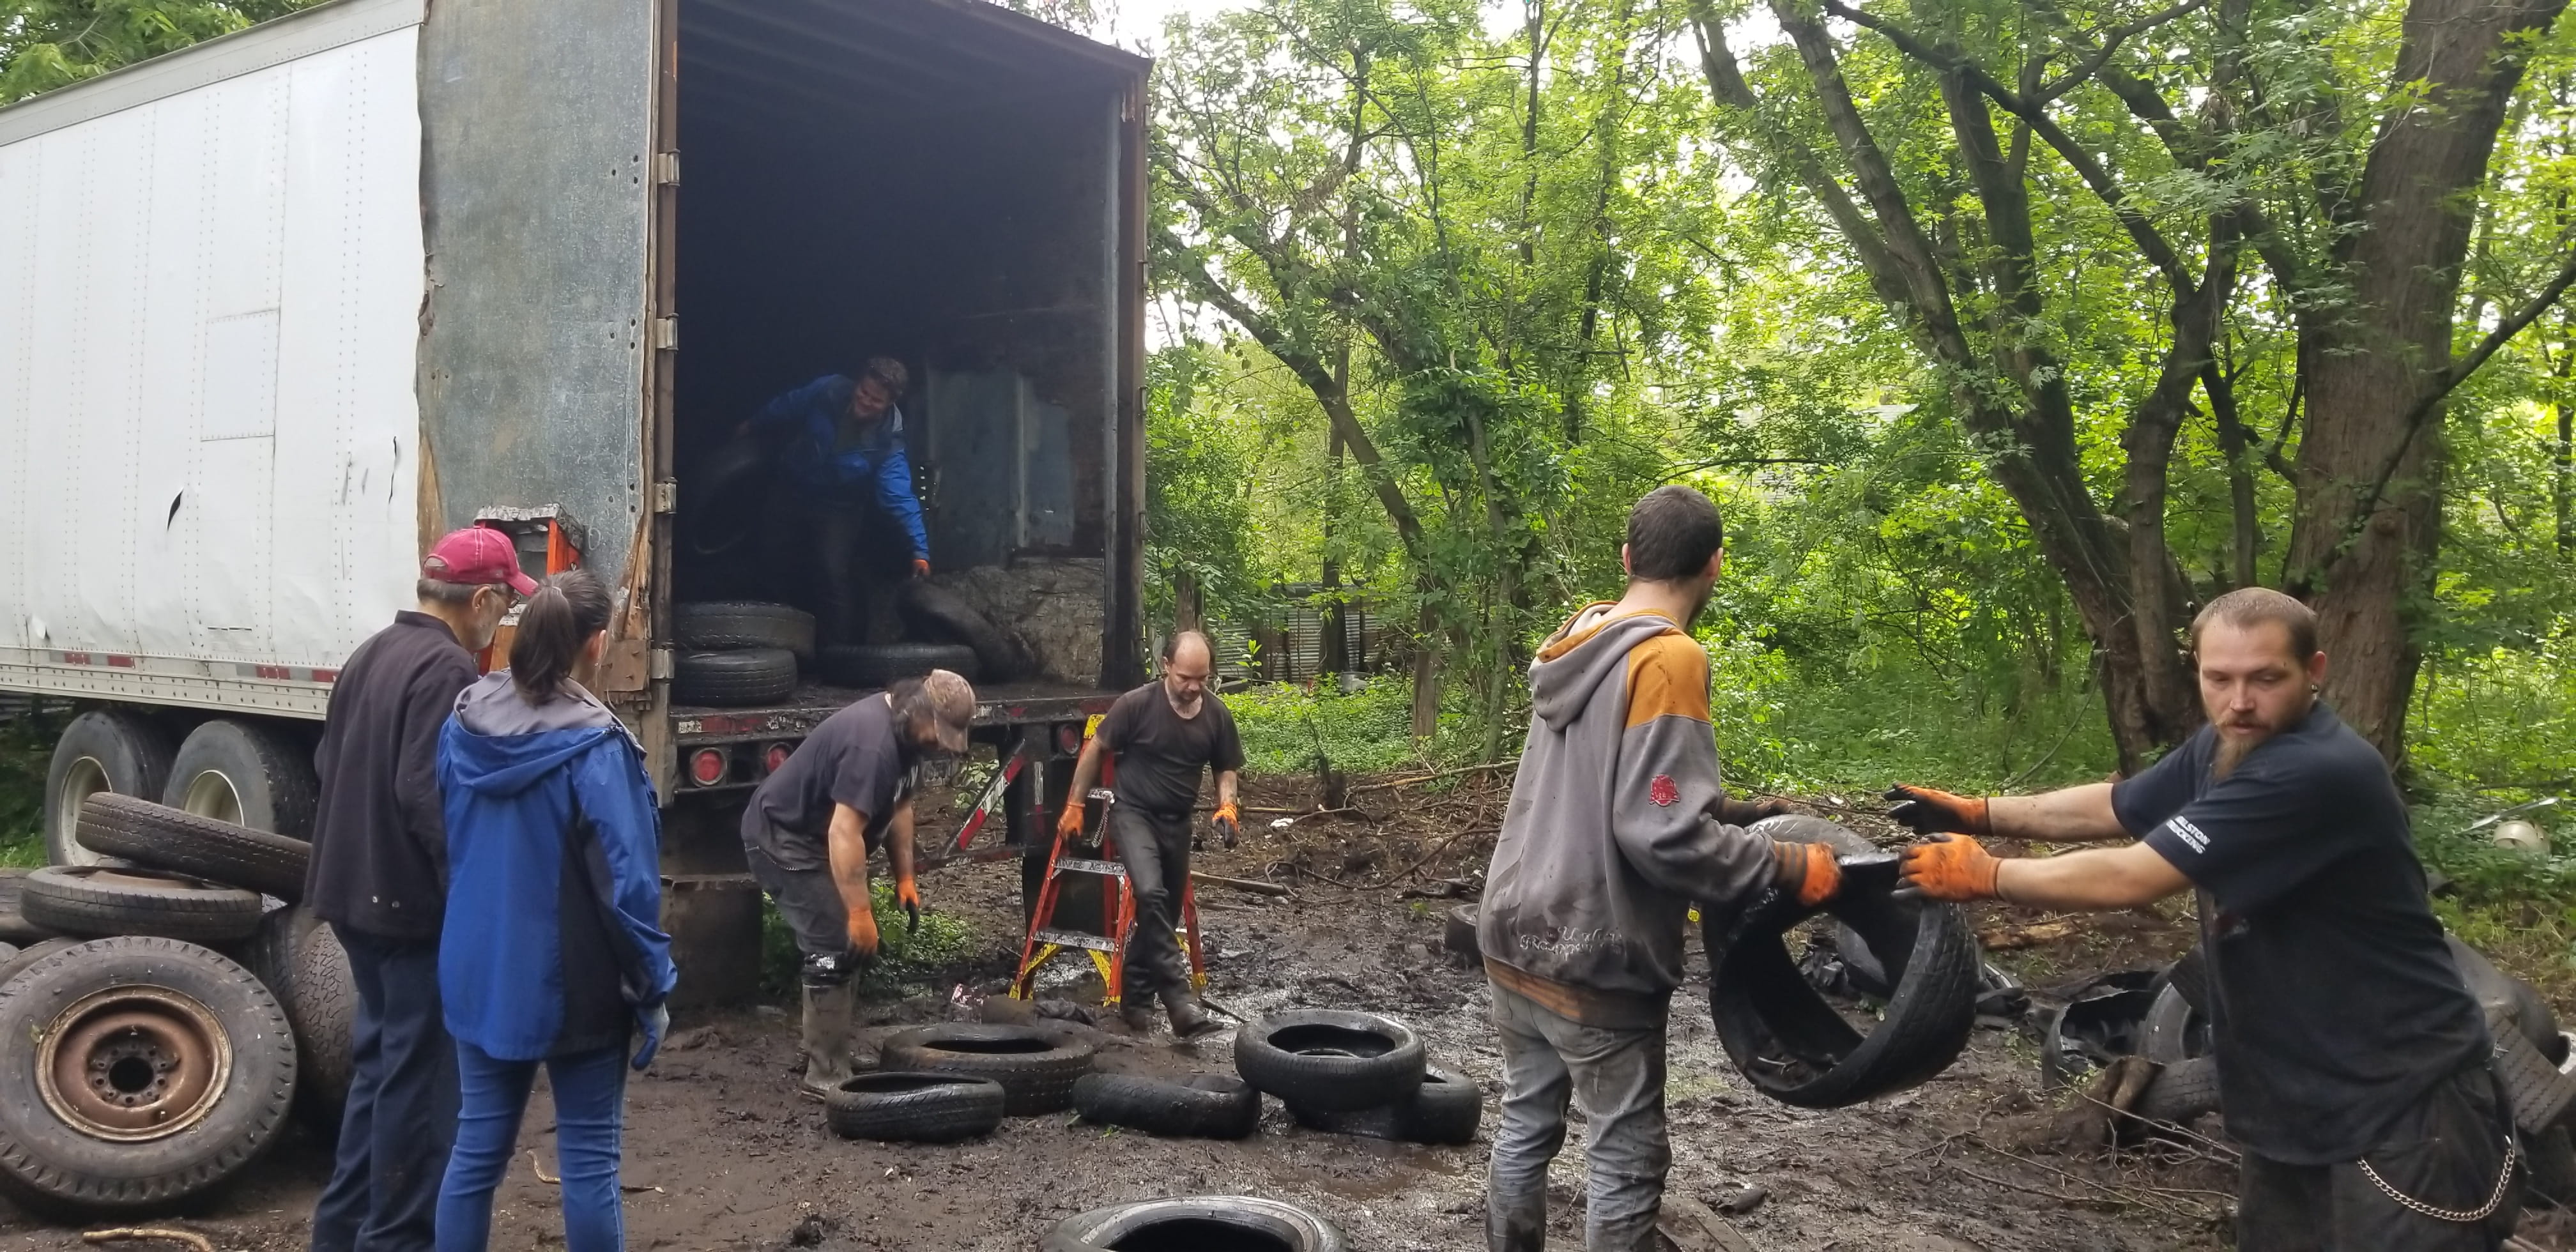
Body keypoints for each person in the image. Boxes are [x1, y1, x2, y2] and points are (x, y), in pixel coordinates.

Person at [1890, 586, 2516, 1251]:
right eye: (2220, 678)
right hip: (2295, 1097)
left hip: (2406, 1104)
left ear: (2316, 671)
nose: (2240, 701)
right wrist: (1979, 811)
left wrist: (1988, 875)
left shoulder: (2313, 770)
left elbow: (2134, 874)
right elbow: (2115, 804)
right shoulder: (2226, 747)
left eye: (2266, 678)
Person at [1478, 485, 1841, 1252]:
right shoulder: (1668, 656)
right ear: (1715, 565)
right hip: (1592, 952)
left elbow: (1623, 792)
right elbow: (1662, 835)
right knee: (1623, 1159)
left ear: (1626, 558)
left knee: (1525, 1125)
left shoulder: (1578, 636)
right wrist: (1785, 864)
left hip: (1512, 930)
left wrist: (1728, 818)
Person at [431, 569, 677, 1252]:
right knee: (590, 1162)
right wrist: (654, 985)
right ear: (596, 644)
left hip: (478, 967)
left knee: (477, 1150)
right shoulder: (597, 748)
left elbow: (447, 831)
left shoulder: (464, 722)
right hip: (574, 987)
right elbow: (628, 888)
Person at [306, 526, 536, 1252]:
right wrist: (473, 903)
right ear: (485, 598)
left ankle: (339, 1232)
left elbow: (325, 760)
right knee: (420, 1088)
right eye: (505, 606)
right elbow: (429, 796)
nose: (502, 621)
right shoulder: (445, 672)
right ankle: (398, 1240)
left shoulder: (370, 652)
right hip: (406, 912)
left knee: (379, 1072)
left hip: (349, 898)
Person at [740, 670, 977, 1097]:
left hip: (816, 840)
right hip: (783, 840)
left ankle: (826, 1047)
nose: (938, 743)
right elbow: (843, 833)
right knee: (834, 941)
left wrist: (906, 876)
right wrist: (859, 911)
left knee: (852, 942)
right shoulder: (871, 745)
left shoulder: (907, 740)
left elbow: (899, 804)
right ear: (917, 710)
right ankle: (825, 1075)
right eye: (937, 733)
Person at [1055, 630, 1244, 1039]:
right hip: (1134, 814)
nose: (1194, 687)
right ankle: (1179, 1002)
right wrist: (1074, 805)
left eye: (1202, 679)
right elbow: (1096, 750)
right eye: (1185, 678)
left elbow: (1225, 766)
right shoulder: (1137, 705)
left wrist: (1227, 803)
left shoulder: (1216, 715)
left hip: (1178, 822)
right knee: (1152, 895)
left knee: (1162, 915)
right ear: (1165, 667)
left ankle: (1137, 1003)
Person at [745, 356, 930, 647]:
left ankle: (837, 652)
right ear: (858, 383)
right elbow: (788, 405)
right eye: (864, 392)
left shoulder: (888, 442)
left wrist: (919, 550)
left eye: (876, 400)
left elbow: (899, 495)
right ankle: (771, 641)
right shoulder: (827, 391)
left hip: (839, 506)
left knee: (831, 571)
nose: (865, 401)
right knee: (772, 558)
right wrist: (753, 425)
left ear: (891, 403)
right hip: (793, 487)